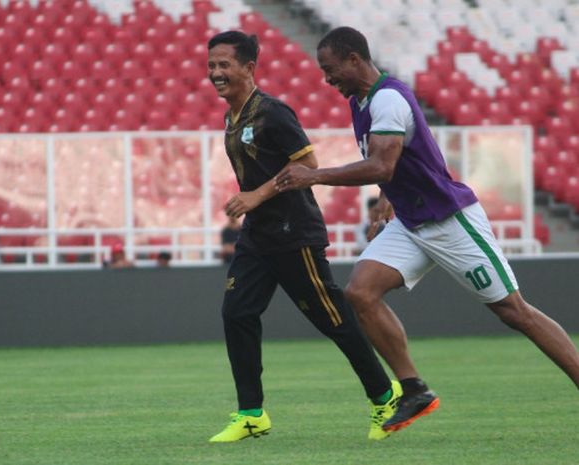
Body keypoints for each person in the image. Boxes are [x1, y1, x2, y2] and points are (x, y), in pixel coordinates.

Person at [275, 26, 579, 430]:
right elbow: (395, 162)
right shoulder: (362, 101)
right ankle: (415, 389)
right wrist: (387, 201)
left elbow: (382, 164)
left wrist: (315, 177)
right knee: (360, 293)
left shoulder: (387, 99)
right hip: (412, 221)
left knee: (514, 312)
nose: (326, 78)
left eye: (330, 69)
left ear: (354, 59)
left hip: (450, 220)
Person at [206, 30, 424, 443]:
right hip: (258, 236)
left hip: (293, 233)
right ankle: (252, 413)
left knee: (332, 319)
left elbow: (308, 164)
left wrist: (257, 195)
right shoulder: (232, 117)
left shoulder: (272, 112)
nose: (216, 73)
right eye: (212, 65)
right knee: (237, 313)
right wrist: (253, 204)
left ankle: (384, 398)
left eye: (224, 65)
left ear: (249, 68)